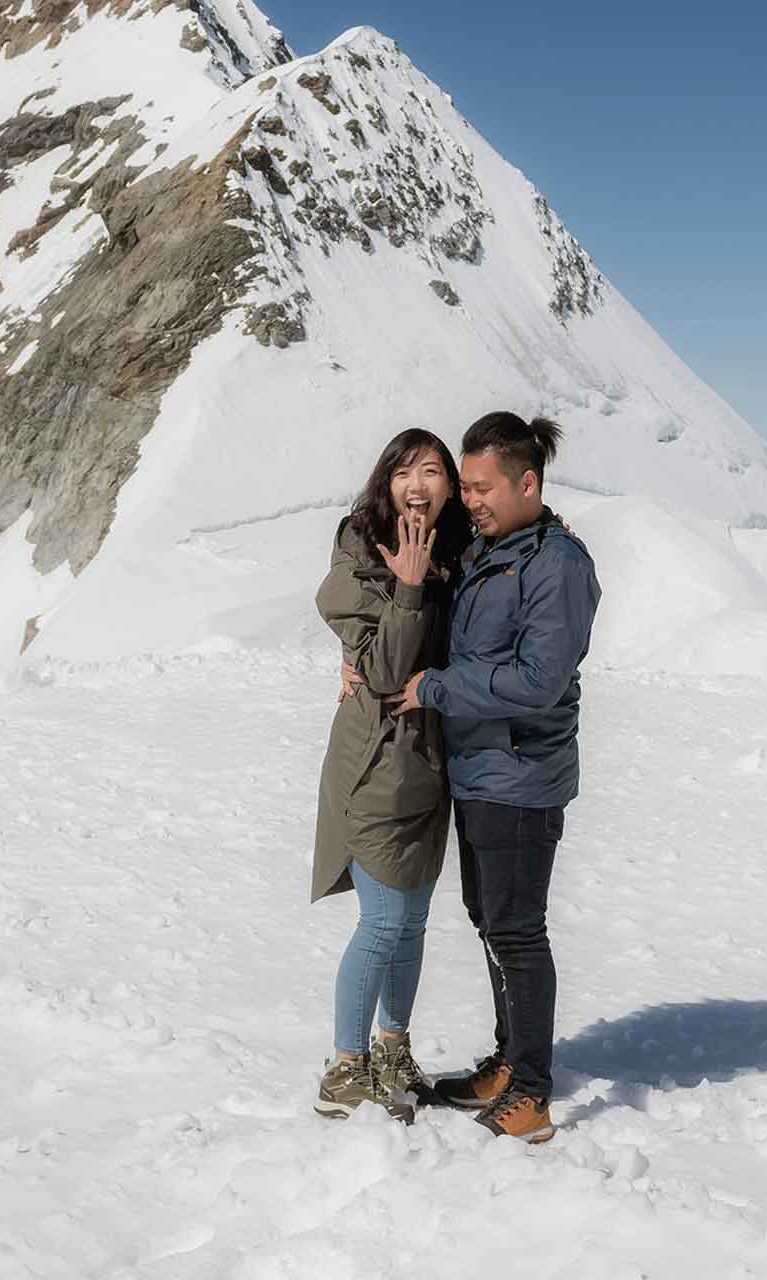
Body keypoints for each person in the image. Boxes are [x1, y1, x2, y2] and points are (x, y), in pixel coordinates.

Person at [383, 412, 601, 1144]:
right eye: (466, 486)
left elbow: (539, 680)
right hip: (479, 771)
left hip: (521, 774)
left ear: (527, 482)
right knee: (490, 922)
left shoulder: (556, 565)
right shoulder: (489, 550)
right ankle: (510, 1061)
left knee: (517, 931)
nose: (468, 500)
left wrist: (437, 689)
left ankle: (533, 1090)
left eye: (481, 487)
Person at [311, 428, 471, 1121]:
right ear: (386, 482)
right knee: (382, 923)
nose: (418, 482)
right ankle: (345, 1068)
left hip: (430, 767)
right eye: (405, 470)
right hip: (377, 761)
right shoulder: (362, 558)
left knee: (413, 924)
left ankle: (392, 1050)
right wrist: (406, 590)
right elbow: (378, 675)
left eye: (432, 470)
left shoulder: (455, 555)